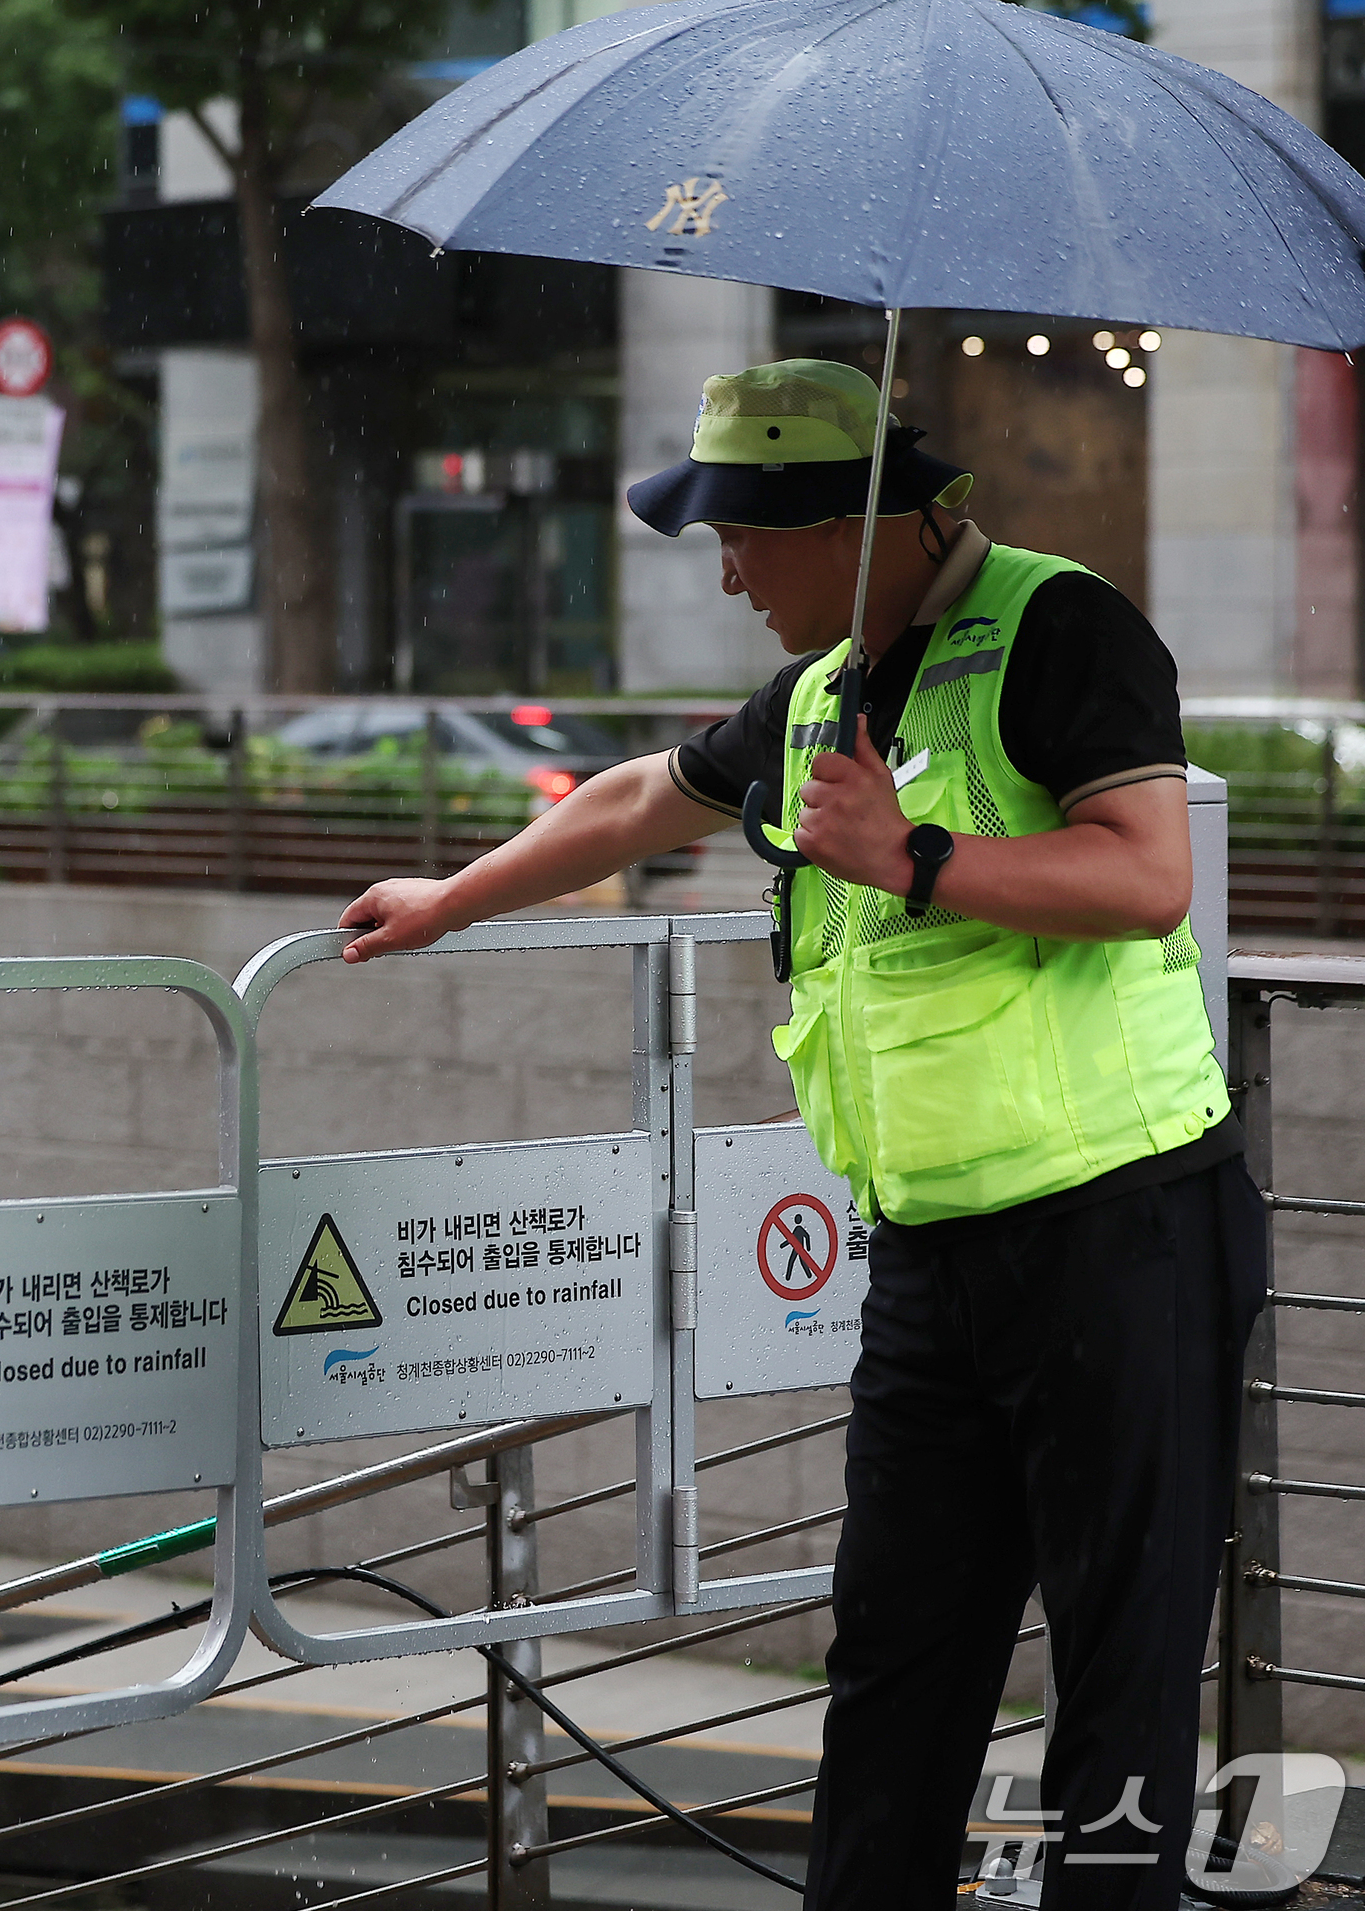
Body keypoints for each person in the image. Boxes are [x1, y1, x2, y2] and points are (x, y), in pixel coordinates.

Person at [338, 359, 1266, 1911]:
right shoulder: (826, 691)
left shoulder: (1064, 628)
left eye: (744, 537)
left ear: (848, 524)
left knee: (1119, 1685)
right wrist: (452, 901)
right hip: (932, 1257)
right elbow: (645, 793)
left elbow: (1145, 877)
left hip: (1123, 1235)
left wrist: (916, 856)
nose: (724, 570)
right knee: (895, 1673)